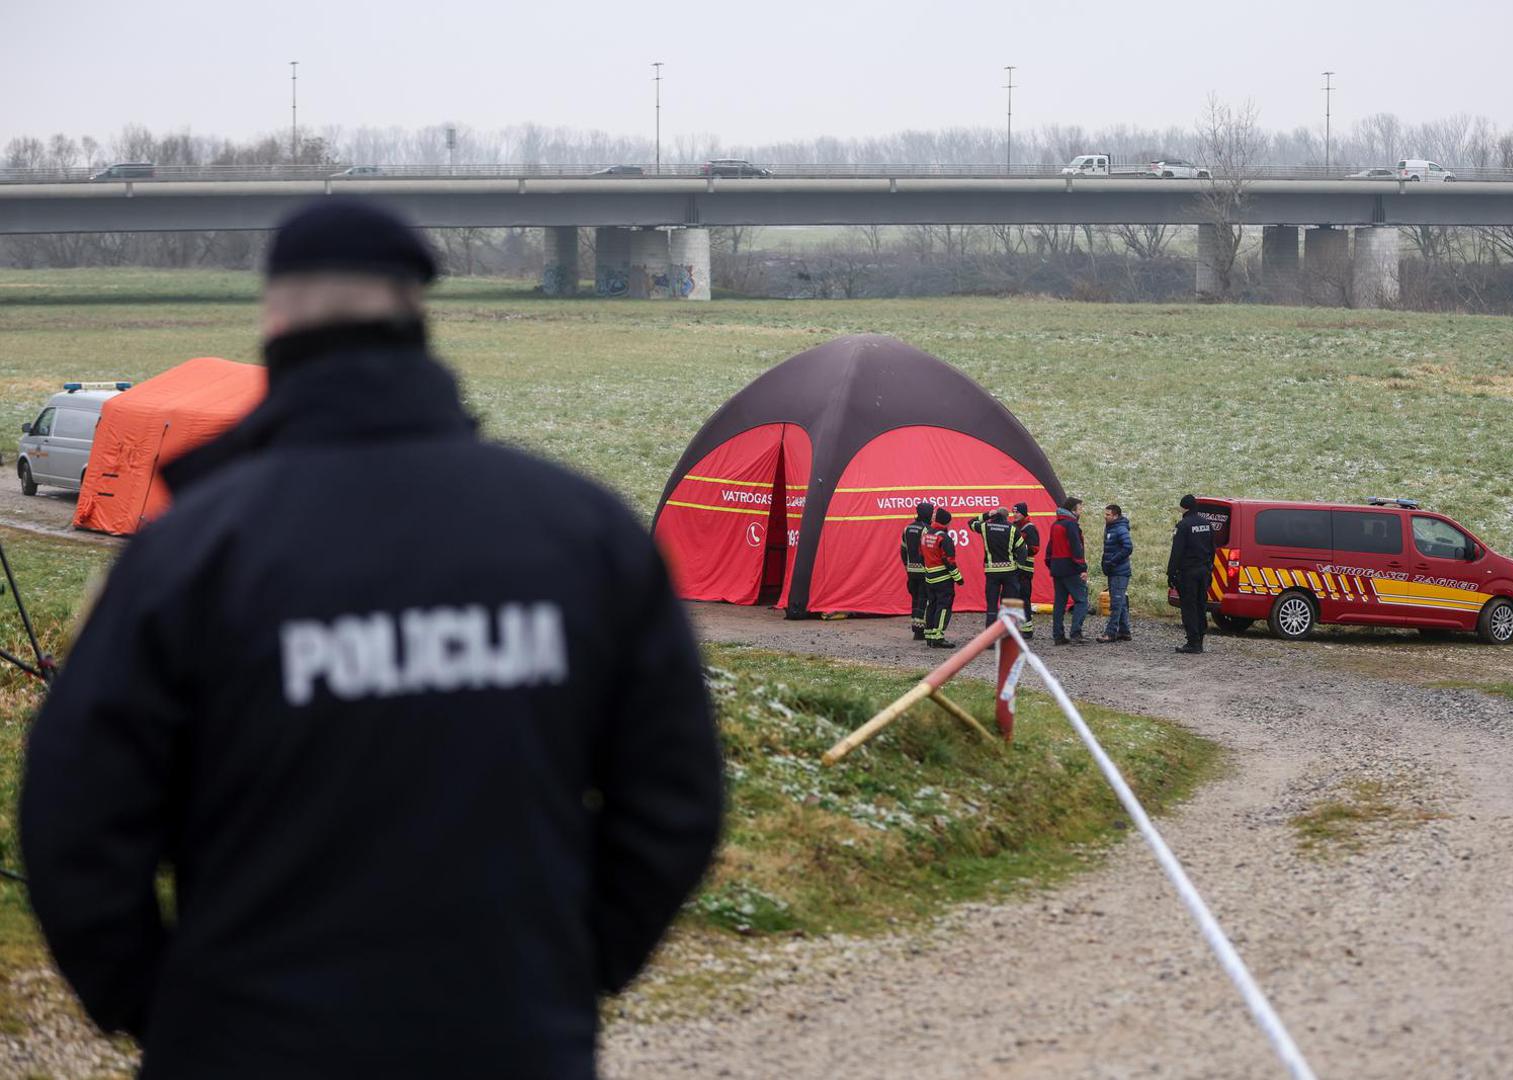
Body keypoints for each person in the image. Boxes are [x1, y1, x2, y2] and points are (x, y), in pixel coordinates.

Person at [19, 200, 724, 1080]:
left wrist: (168, 1010)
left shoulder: (191, 555)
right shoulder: (579, 533)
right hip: (510, 1039)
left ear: (275, 319)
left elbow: (71, 820)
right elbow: (678, 797)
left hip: (252, 1042)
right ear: (415, 315)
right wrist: (570, 970)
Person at [1167, 492, 1217, 654]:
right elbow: (1212, 549)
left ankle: (1192, 642)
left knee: (1188, 607)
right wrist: (1210, 568)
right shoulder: (1206, 524)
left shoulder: (1183, 526)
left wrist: (1171, 573)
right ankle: (1200, 639)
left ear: (1185, 508)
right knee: (1200, 605)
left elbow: (1177, 552)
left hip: (1188, 572)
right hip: (1203, 571)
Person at [969, 506, 1024, 627]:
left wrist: (987, 514)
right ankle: (1007, 633)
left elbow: (971, 523)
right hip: (1010, 571)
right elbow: (1022, 549)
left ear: (994, 516)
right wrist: (1019, 567)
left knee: (992, 605)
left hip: (992, 572)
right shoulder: (1013, 529)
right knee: (1009, 603)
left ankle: (990, 636)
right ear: (1006, 517)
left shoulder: (985, 527)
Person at [1044, 495, 1089, 645]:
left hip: (1057, 568)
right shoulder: (1071, 525)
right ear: (1073, 510)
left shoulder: (1056, 524)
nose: (1081, 511)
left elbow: (1049, 548)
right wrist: (1082, 567)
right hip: (1071, 568)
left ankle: (1058, 635)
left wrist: (1051, 564)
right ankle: (1076, 633)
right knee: (1082, 600)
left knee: (1059, 603)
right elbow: (1076, 548)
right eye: (1080, 508)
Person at [921, 509, 964, 648]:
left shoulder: (926, 534)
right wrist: (958, 578)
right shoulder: (944, 538)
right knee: (944, 607)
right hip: (943, 579)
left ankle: (929, 635)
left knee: (931, 605)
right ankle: (938, 637)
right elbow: (949, 561)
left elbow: (921, 554)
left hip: (929, 578)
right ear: (946, 521)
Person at [1096, 503, 1134, 643]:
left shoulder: (1120, 529)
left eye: (1108, 515)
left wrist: (1113, 561)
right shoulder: (1111, 527)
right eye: (1105, 514)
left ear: (1116, 516)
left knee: (1116, 604)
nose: (1105, 517)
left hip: (1119, 572)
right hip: (1113, 570)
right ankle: (1124, 632)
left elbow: (1128, 547)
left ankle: (1110, 633)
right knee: (1121, 602)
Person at [900, 501, 935, 641]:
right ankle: (921, 630)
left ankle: (916, 629)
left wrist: (906, 566)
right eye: (931, 513)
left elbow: (903, 550)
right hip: (924, 570)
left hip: (911, 570)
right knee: (924, 599)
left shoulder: (907, 529)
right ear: (927, 513)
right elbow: (928, 552)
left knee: (915, 599)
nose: (933, 516)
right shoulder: (926, 530)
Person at [1010, 502, 1040, 640]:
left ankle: (1027, 629)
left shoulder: (1029, 528)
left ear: (1024, 513)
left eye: (1017, 512)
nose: (1015, 514)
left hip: (1025, 570)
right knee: (1014, 598)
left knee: (1024, 598)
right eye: (1013, 512)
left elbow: (1035, 548)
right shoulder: (1013, 527)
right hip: (1014, 568)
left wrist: (1020, 549)